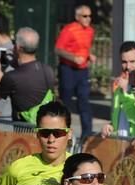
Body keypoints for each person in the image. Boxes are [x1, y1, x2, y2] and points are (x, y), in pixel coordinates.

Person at [0, 27, 56, 125]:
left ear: (18, 47)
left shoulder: (12, 77)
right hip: (44, 131)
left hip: (23, 134)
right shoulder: (48, 70)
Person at [100, 41, 135, 139]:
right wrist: (110, 126)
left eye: (132, 61)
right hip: (120, 145)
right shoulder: (119, 85)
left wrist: (126, 91)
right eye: (124, 62)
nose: (128, 67)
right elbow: (120, 118)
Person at [55, 5, 96, 138]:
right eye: (85, 16)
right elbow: (58, 50)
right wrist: (73, 58)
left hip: (82, 71)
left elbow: (84, 48)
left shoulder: (90, 31)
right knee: (65, 102)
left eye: (90, 16)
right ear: (77, 17)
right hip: (68, 70)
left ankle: (87, 134)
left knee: (84, 101)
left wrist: (90, 55)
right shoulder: (69, 30)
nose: (88, 19)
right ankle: (62, 132)